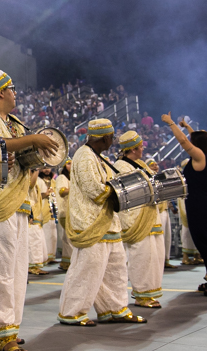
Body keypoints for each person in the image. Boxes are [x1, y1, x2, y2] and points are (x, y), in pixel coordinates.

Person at [0, 70, 58, 351]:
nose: (15, 92)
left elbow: (19, 153)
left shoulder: (13, 121)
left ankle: (4, 328)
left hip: (18, 201)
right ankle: (0, 332)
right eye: (11, 88)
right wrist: (33, 140)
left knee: (17, 271)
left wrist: (36, 150)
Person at [58, 118, 147, 326]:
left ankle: (114, 308)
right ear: (105, 137)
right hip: (91, 222)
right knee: (86, 269)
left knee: (115, 269)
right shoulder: (84, 155)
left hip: (108, 222)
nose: (112, 141)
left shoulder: (98, 157)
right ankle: (71, 312)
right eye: (111, 137)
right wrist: (121, 191)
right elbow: (94, 189)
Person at [161, 112, 207, 295]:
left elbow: (184, 142)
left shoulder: (199, 156)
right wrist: (187, 126)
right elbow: (194, 138)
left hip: (202, 207)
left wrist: (171, 124)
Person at [114, 131, 164, 308]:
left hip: (150, 214)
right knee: (142, 256)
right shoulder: (120, 166)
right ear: (132, 149)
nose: (143, 149)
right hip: (137, 216)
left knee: (155, 255)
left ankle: (151, 291)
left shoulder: (140, 164)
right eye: (140, 146)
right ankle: (142, 294)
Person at [146, 158, 177, 269]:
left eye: (156, 165)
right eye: (152, 165)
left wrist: (171, 206)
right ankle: (158, 262)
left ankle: (166, 260)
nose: (155, 167)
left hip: (165, 210)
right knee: (158, 238)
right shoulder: (148, 179)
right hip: (156, 211)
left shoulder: (160, 178)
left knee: (167, 237)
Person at [56, 158, 73, 271]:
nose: (71, 165)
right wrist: (76, 189)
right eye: (69, 164)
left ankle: (68, 261)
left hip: (71, 211)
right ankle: (69, 263)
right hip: (65, 211)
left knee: (69, 238)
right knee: (69, 238)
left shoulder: (72, 178)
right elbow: (62, 191)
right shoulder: (62, 177)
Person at [39, 167, 58, 265]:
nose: (47, 170)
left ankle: (51, 256)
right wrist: (46, 194)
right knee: (45, 233)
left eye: (48, 168)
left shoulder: (53, 181)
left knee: (52, 235)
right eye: (44, 168)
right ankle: (45, 257)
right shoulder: (39, 180)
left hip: (53, 209)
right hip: (43, 208)